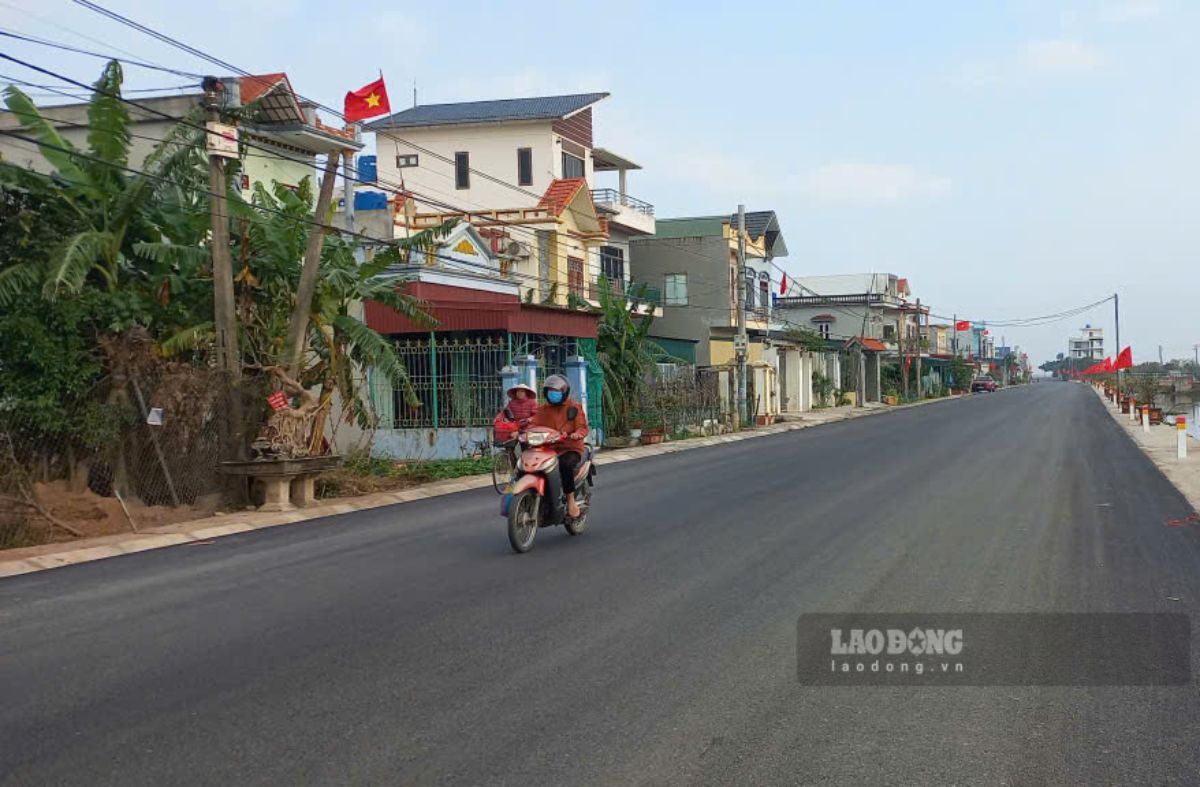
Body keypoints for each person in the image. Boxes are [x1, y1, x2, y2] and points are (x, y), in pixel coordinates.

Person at [529, 374, 589, 518]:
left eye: (556, 391)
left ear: (564, 392)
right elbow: (533, 423)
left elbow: (582, 427)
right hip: (548, 448)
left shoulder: (573, 407)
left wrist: (577, 434)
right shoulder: (543, 409)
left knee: (564, 465)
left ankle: (570, 501)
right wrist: (523, 428)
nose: (553, 394)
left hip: (570, 447)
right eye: (550, 391)